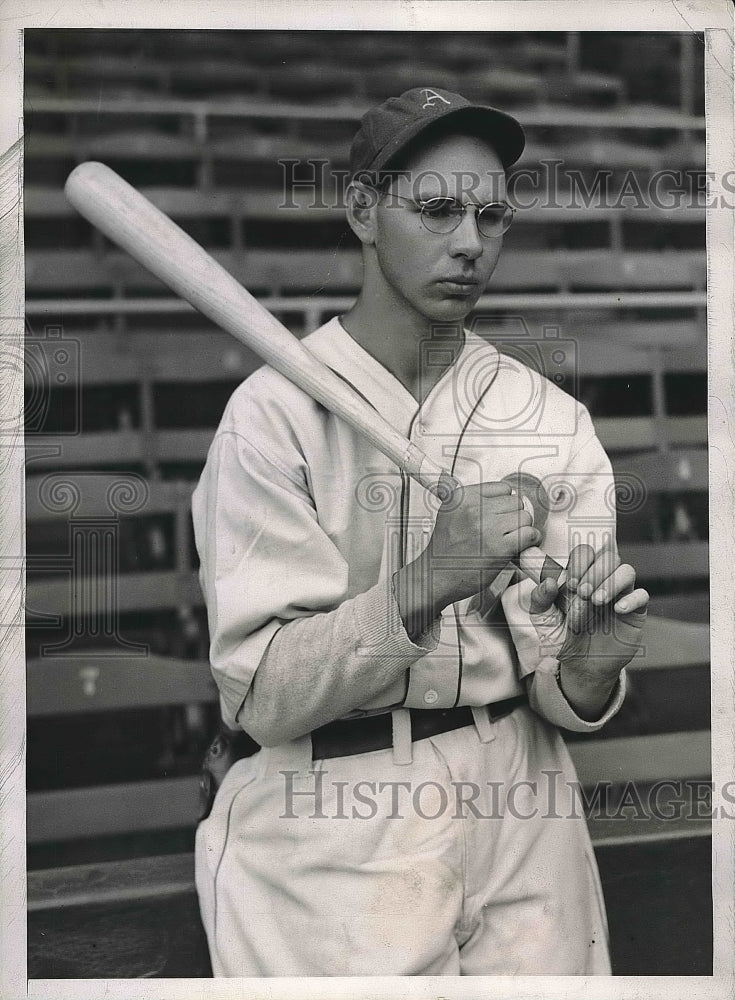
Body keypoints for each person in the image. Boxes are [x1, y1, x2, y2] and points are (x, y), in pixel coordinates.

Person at [192, 87, 648, 977]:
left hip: (524, 796)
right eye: (436, 210)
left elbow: (563, 694)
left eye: (491, 216)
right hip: (333, 812)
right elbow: (263, 698)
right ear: (363, 211)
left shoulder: (547, 417)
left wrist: (590, 665)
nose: (469, 242)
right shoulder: (272, 416)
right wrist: (428, 579)